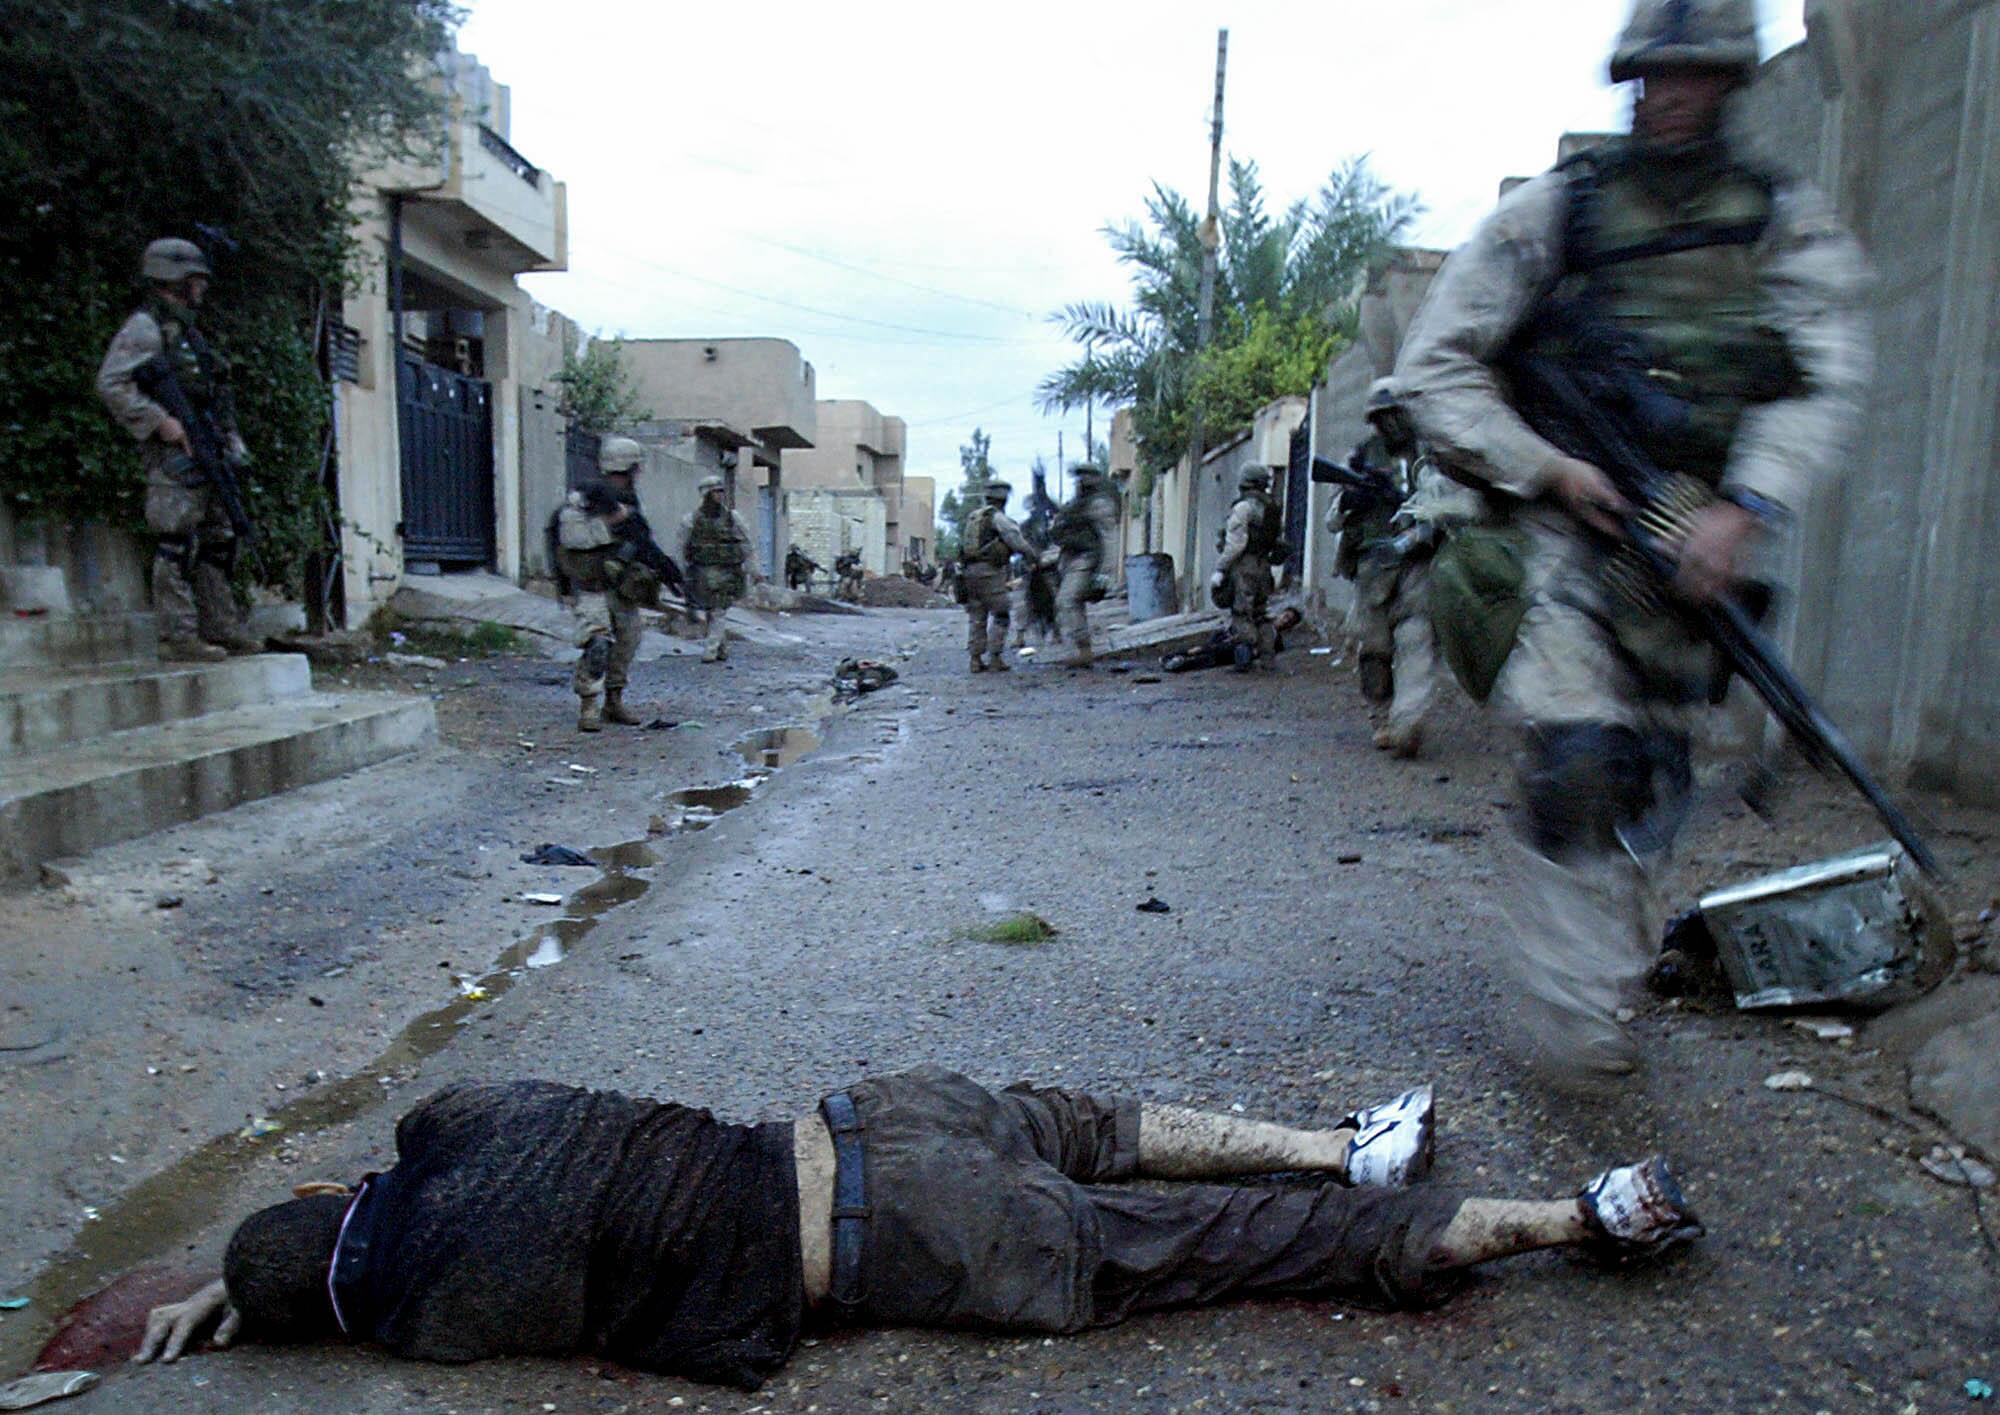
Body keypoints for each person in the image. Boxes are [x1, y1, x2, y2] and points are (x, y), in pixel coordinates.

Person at [1391, 0, 1869, 1085]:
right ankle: (1570, 1027)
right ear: (1628, 81)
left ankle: (1603, 983)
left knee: (1648, 777)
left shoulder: (1778, 221)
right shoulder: (1557, 212)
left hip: (1688, 537)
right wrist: (1542, 464)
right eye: (1655, 76)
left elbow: (1821, 375)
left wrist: (1743, 504)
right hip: (1560, 532)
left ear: (1731, 84)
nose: (1672, 96)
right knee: (1578, 761)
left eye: (1696, 76)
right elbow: (1432, 364)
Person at [133, 1068, 1699, 1391]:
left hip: (902, 1241)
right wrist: (247, 1250)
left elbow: (724, 1341)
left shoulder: (434, 1310)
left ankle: (1575, 1214)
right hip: (871, 1116)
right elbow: (417, 1157)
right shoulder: (459, 1123)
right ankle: (1341, 1142)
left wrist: (243, 1292)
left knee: (1214, 1246)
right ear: (340, 1200)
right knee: (1092, 1124)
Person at [95, 238, 261, 662]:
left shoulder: (187, 331)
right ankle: (178, 635)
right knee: (176, 542)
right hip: (174, 455)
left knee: (218, 541)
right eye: (195, 280)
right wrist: (160, 422)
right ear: (175, 280)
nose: (202, 288)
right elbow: (112, 383)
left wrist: (230, 441)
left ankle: (221, 625)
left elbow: (211, 394)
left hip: (207, 449)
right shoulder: (145, 328)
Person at [1352, 384, 1486, 758]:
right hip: (1374, 572)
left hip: (1418, 567)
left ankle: (1407, 723)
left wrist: (1415, 531)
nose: (1390, 424)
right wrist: (1352, 501)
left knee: (1416, 643)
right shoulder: (1364, 456)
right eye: (1383, 418)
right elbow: (1336, 520)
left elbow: (1459, 506)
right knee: (1374, 650)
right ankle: (1381, 717)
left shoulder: (1435, 455)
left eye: (1395, 414)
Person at [549, 436, 679, 733]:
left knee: (627, 643)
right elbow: (567, 543)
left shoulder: (629, 502)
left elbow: (641, 541)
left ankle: (613, 701)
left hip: (621, 589)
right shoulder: (583, 503)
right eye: (634, 469)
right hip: (592, 586)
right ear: (628, 467)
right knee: (597, 646)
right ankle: (589, 706)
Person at [1209, 466, 1286, 672]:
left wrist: (1221, 569)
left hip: (1245, 566)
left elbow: (1236, 544)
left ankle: (1244, 660)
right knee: (1261, 614)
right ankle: (1268, 659)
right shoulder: (1272, 507)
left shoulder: (1244, 508)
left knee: (1241, 613)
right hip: (1264, 566)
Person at [1045, 464, 1118, 668]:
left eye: (1085, 477)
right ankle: (1082, 651)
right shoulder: (1075, 505)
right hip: (1070, 558)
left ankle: (1084, 650)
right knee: (1072, 603)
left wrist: (1105, 573)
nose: (1081, 481)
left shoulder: (1099, 504)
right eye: (1079, 477)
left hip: (1087, 558)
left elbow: (1109, 537)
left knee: (1066, 601)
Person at [958, 478, 1034, 673]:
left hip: (969, 573)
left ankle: (975, 659)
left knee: (977, 616)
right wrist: (1033, 556)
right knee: (1001, 614)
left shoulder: (973, 517)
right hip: (989, 572)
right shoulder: (998, 518)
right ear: (1004, 499)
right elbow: (1016, 541)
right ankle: (995, 657)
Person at [680, 475, 755, 664]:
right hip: (702, 571)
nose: (719, 495)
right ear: (706, 494)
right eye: (715, 491)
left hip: (727, 572)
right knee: (710, 610)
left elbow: (746, 543)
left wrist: (753, 569)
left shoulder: (733, 518)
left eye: (721, 491)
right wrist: (681, 571)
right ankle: (721, 647)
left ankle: (710, 649)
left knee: (718, 609)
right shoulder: (691, 519)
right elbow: (682, 545)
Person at [1163, 606, 1305, 674]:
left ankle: (1180, 663)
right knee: (1208, 649)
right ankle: (1173, 658)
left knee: (1210, 657)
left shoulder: (1276, 640)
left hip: (1239, 648)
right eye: (1285, 616)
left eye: (1289, 621)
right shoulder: (1261, 620)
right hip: (1230, 638)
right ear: (1280, 614)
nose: (1285, 621)